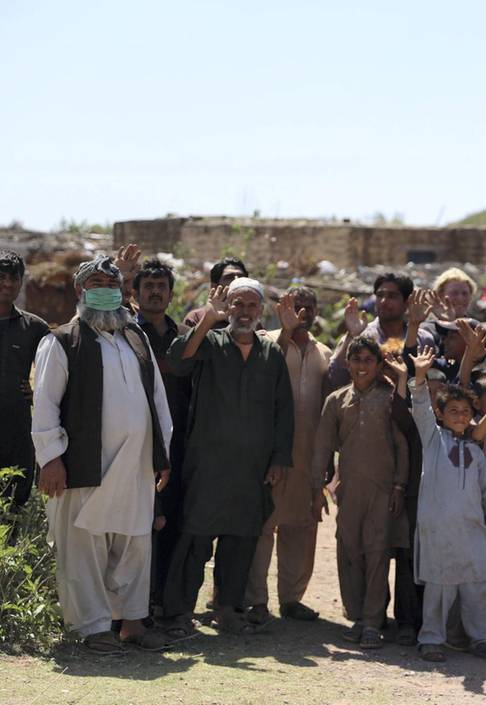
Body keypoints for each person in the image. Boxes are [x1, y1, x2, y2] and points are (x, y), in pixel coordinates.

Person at [31, 255, 173, 654]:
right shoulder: (61, 342)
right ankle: (93, 628)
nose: (105, 290)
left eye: (112, 284)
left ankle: (132, 624)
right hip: (84, 467)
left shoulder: (136, 338)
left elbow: (157, 401)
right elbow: (44, 405)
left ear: (122, 292)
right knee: (84, 547)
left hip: (135, 465)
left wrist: (162, 454)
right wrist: (51, 459)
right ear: (81, 292)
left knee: (134, 545)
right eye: (96, 284)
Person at [162, 277, 293, 637]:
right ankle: (178, 613)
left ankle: (227, 610)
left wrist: (280, 458)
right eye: (238, 304)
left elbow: (284, 409)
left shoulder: (272, 354)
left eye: (252, 305)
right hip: (208, 464)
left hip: (252, 468)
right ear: (227, 308)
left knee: (240, 539)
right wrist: (208, 318)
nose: (244, 312)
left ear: (261, 310)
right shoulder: (211, 342)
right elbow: (177, 360)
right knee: (195, 538)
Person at [409, 347, 486, 663]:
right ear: (441, 414)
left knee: (479, 583)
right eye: (452, 410)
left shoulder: (474, 452)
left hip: (471, 529)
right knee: (439, 588)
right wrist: (418, 375)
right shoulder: (432, 440)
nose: (459, 415)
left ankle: (482, 639)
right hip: (438, 529)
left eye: (464, 411)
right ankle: (431, 639)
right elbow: (420, 408)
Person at [311, 335, 410, 649]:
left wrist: (399, 486)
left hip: (382, 490)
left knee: (377, 552)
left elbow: (401, 446)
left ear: (379, 364)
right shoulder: (336, 400)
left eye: (369, 360)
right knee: (349, 550)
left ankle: (372, 622)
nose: (362, 366)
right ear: (347, 363)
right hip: (349, 490)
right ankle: (355, 615)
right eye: (356, 360)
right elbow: (322, 447)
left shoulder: (390, 398)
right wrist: (317, 489)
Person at [245, 286, 333, 624]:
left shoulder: (322, 352)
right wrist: (286, 332)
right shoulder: (266, 340)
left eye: (310, 306)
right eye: (297, 306)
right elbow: (261, 377)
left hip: (308, 454)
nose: (304, 313)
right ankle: (255, 600)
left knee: (302, 526)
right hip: (270, 455)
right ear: (283, 307)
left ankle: (292, 599)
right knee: (264, 526)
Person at [132, 257, 191, 613]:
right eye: (148, 287)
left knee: (171, 525)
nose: (155, 292)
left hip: (177, 448)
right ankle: (132, 608)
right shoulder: (124, 333)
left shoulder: (183, 338)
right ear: (135, 294)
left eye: (161, 287)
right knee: (137, 528)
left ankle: (164, 606)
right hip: (134, 447)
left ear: (170, 294)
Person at [0, 249, 49, 511]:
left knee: (12, 511)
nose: (7, 283)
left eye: (14, 278)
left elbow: (56, 371)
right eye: (2, 276)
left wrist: (39, 393)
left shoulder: (35, 328)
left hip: (17, 434)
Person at [182, 256, 249, 329]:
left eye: (241, 277)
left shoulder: (251, 318)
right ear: (214, 286)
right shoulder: (196, 318)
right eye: (229, 277)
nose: (237, 280)